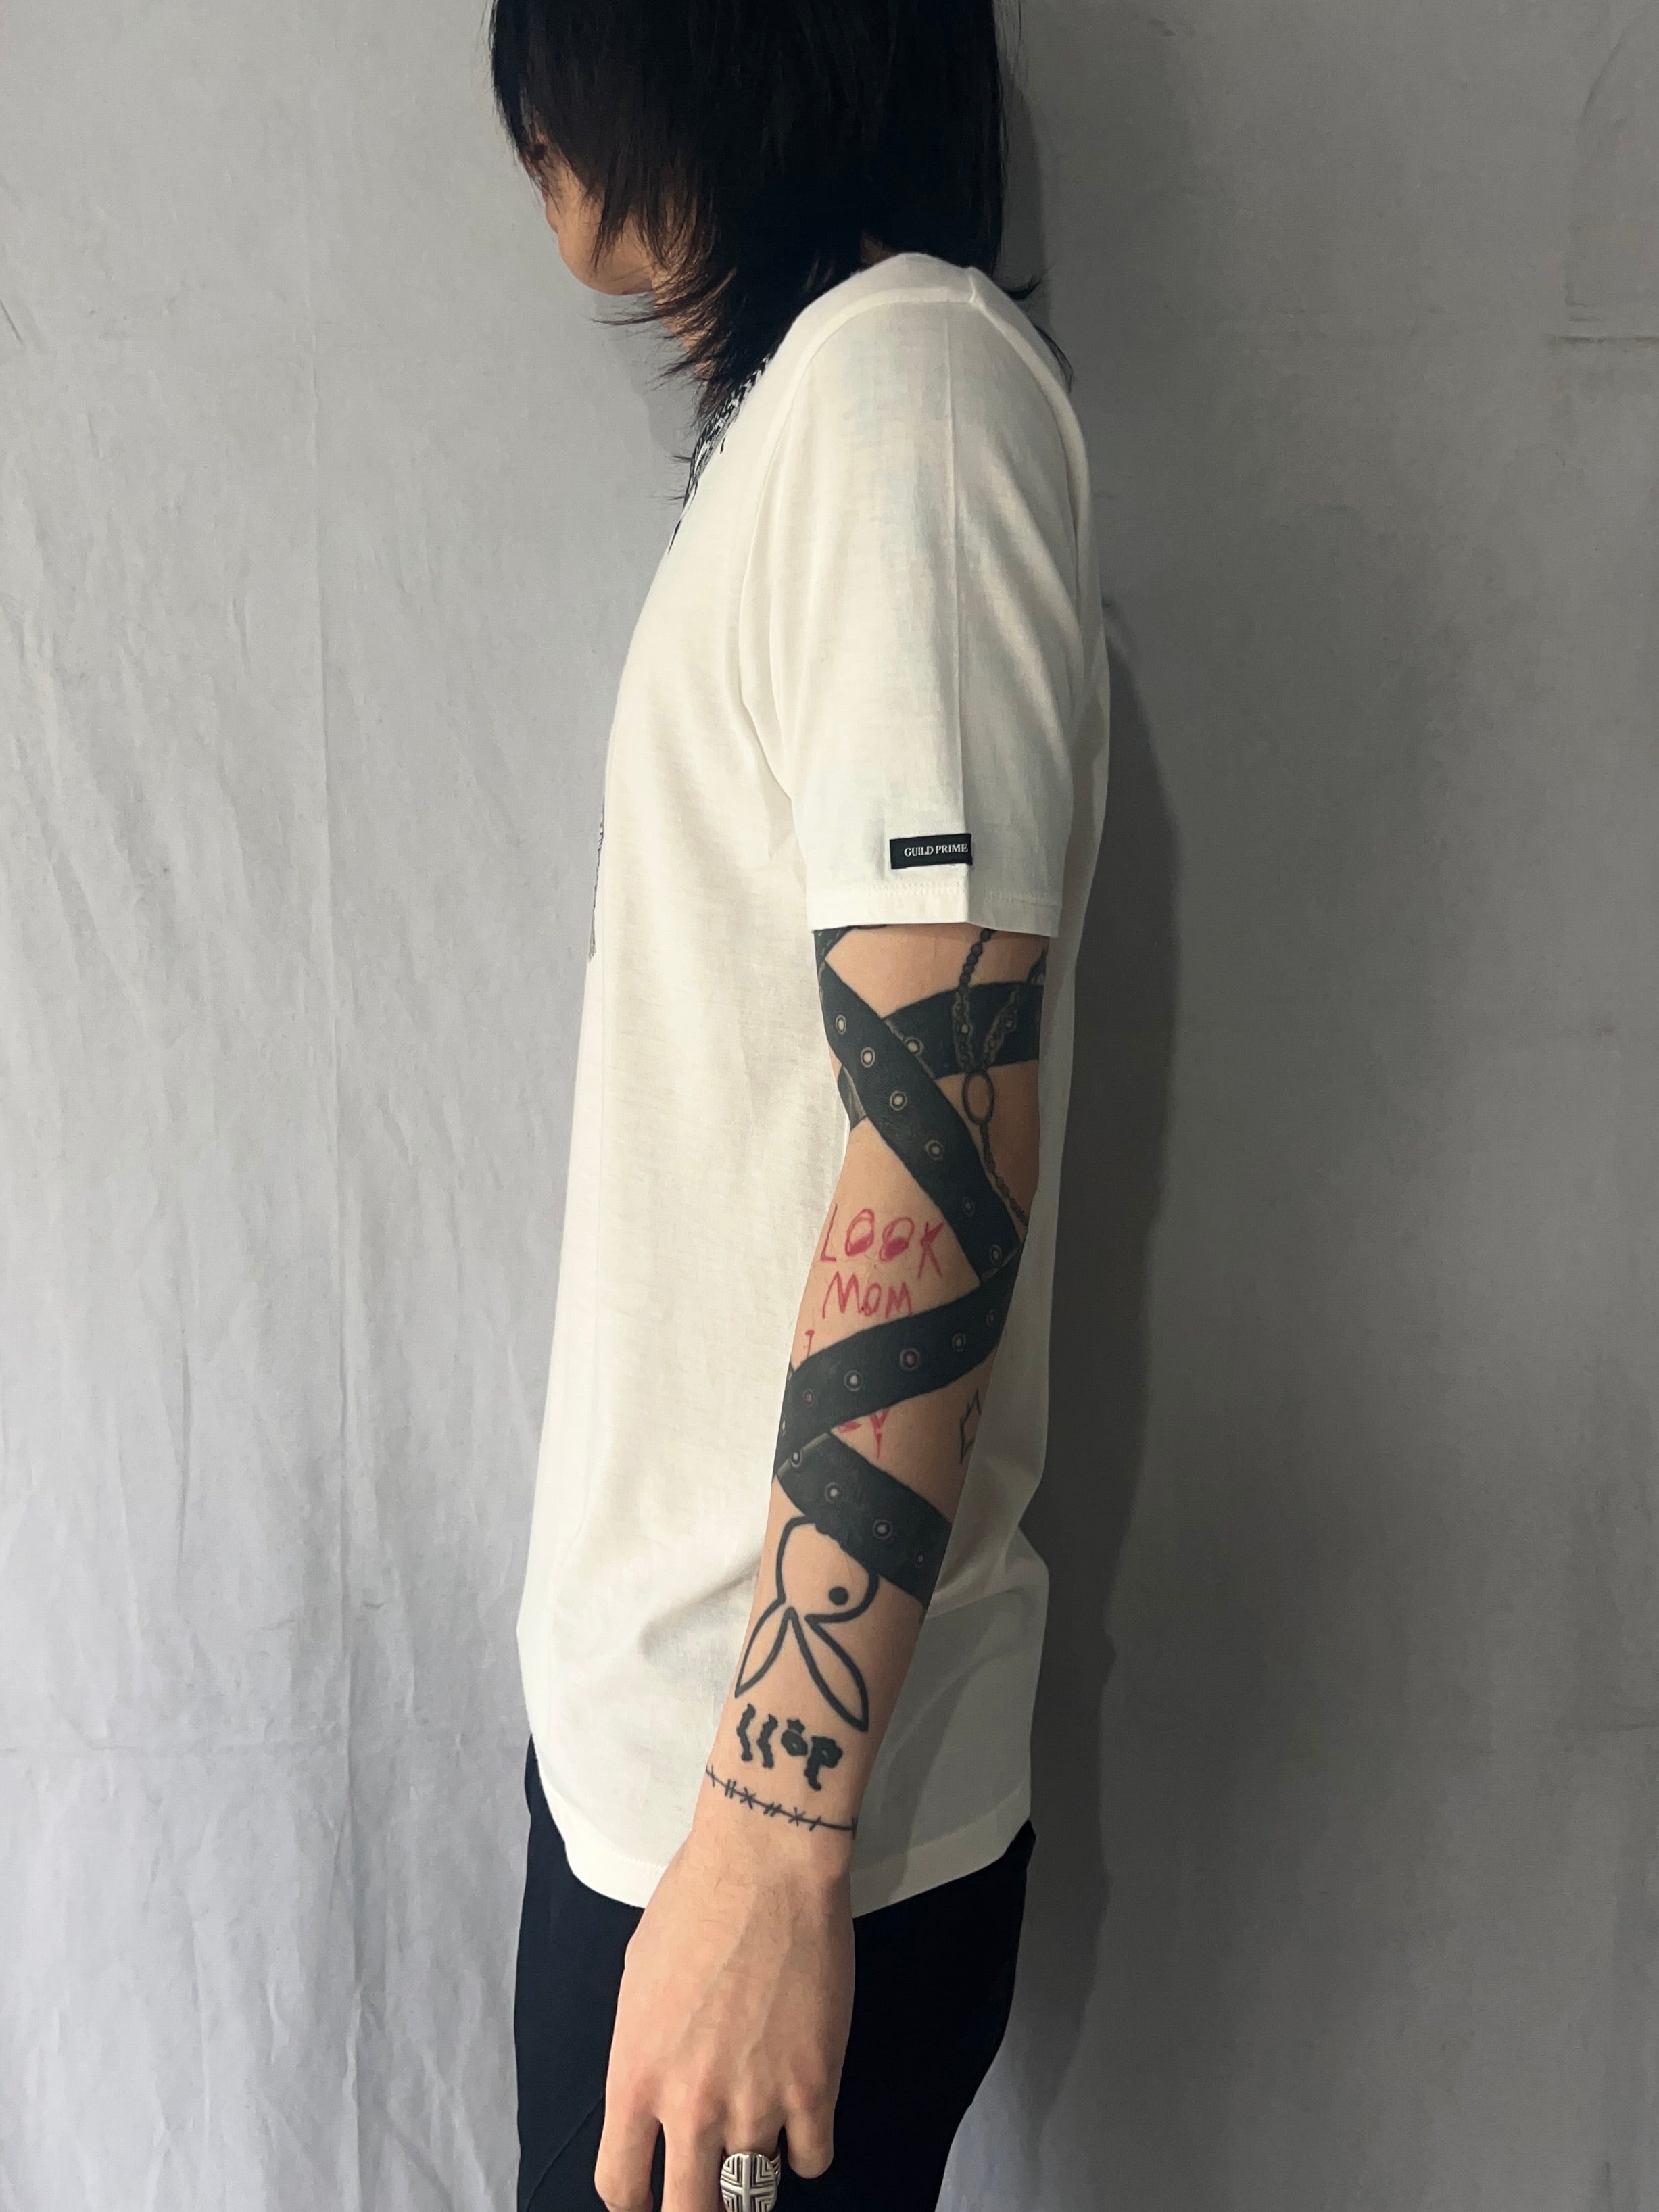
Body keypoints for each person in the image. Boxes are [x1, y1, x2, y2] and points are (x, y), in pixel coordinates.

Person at [488, 3, 1111, 2207]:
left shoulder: (900, 401)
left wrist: (765, 1841)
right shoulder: (835, 421)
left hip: (762, 1836)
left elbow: (939, 1143)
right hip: (693, 1793)